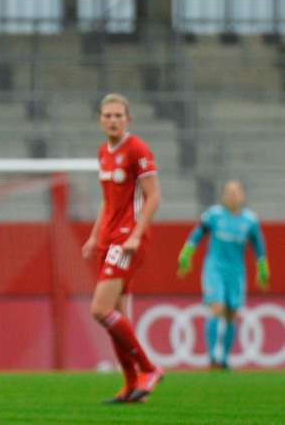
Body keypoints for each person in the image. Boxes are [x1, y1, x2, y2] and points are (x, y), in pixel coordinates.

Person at [80, 93, 163, 404]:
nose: (113, 120)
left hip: (127, 238)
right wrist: (93, 235)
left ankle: (149, 369)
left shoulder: (137, 149)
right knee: (116, 316)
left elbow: (153, 196)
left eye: (118, 115)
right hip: (109, 238)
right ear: (100, 120)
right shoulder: (104, 152)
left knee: (100, 309)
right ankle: (131, 386)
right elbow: (108, 200)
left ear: (128, 120)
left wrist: (136, 235)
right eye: (108, 115)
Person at [177, 180, 270, 370]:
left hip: (236, 272)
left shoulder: (250, 220)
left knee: (231, 313)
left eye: (236, 192)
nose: (232, 195)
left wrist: (262, 268)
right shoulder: (214, 215)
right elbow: (197, 234)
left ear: (242, 195)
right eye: (228, 192)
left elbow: (258, 246)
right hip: (215, 269)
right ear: (223, 196)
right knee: (217, 308)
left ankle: (225, 359)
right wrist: (186, 253)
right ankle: (212, 357)